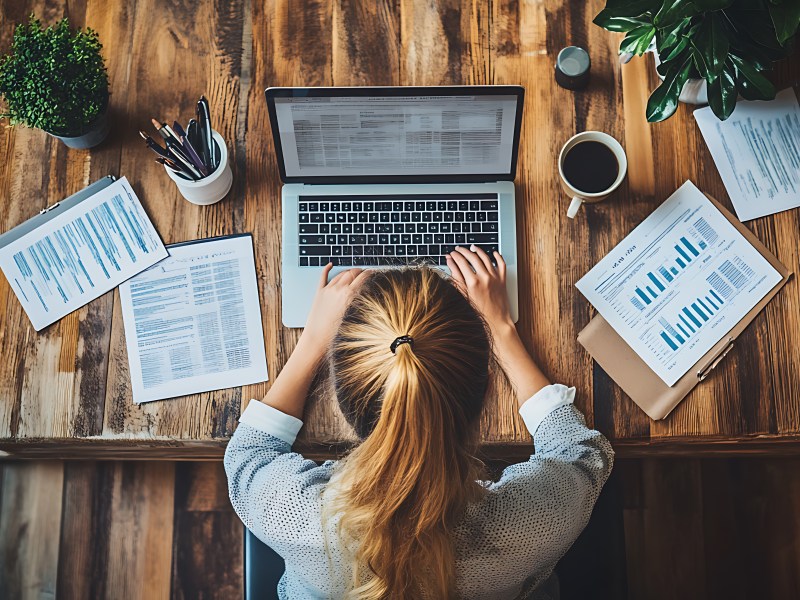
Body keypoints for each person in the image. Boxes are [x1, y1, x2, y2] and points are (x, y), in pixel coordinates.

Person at [225, 246, 614, 599]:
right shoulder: (532, 521)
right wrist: (501, 331)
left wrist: (312, 340)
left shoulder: (296, 515)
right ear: (487, 388)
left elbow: (249, 453)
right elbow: (579, 453)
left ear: (342, 394)